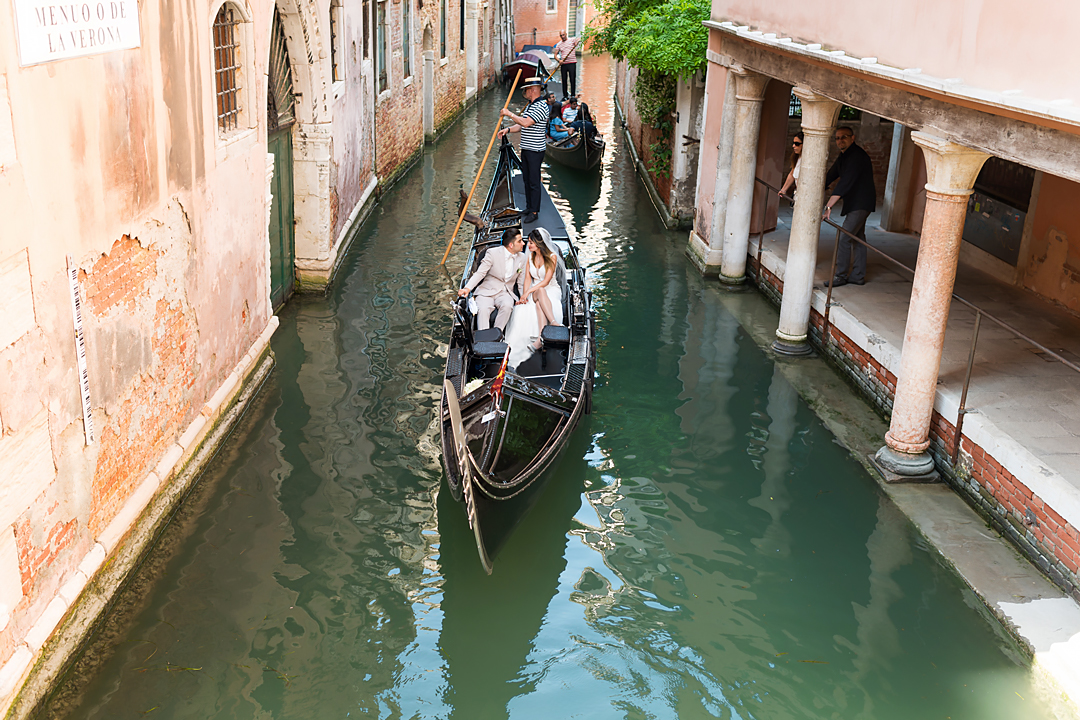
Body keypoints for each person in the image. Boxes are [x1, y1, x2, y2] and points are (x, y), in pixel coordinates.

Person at [822, 127, 876, 287]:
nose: (840, 141)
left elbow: (845, 182)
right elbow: (831, 175)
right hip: (856, 203)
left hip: (861, 203)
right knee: (858, 239)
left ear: (853, 138)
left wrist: (829, 206)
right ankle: (858, 276)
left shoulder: (857, 156)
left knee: (844, 237)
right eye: (837, 138)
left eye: (843, 137)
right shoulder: (844, 156)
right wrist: (816, 187)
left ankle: (841, 276)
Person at [504, 228, 565, 368]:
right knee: (536, 299)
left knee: (540, 297)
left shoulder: (552, 256)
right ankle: (549, 327)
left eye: (531, 242)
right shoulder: (530, 256)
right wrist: (524, 296)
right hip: (535, 291)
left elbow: (546, 281)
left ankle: (542, 335)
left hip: (551, 289)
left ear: (539, 243)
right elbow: (527, 278)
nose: (527, 244)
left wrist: (528, 292)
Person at [498, 76, 549, 223]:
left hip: (535, 150)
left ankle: (534, 211)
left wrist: (509, 114)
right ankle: (528, 207)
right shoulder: (530, 105)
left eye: (526, 90)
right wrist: (507, 129)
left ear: (533, 90)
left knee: (533, 181)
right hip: (527, 148)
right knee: (527, 179)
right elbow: (520, 126)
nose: (525, 92)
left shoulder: (541, 106)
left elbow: (526, 123)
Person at [457, 228, 526, 331]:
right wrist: (467, 288)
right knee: (483, 309)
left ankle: (497, 335)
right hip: (487, 291)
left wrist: (522, 296)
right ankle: (483, 339)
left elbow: (520, 281)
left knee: (508, 306)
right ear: (511, 245)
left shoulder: (522, 258)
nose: (523, 243)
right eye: (520, 241)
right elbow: (480, 273)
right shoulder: (492, 253)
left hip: (505, 292)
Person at [553, 30, 578, 99]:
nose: (562, 37)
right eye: (561, 35)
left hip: (572, 63)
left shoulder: (572, 40)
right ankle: (565, 96)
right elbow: (555, 55)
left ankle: (573, 95)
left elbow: (577, 40)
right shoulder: (559, 45)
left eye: (563, 35)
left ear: (566, 34)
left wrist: (576, 43)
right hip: (563, 64)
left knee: (572, 79)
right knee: (564, 80)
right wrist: (559, 60)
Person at [778, 132, 803, 199]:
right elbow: (792, 174)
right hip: (798, 195)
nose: (793, 146)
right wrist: (783, 190)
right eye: (794, 143)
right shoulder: (797, 157)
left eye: (797, 144)